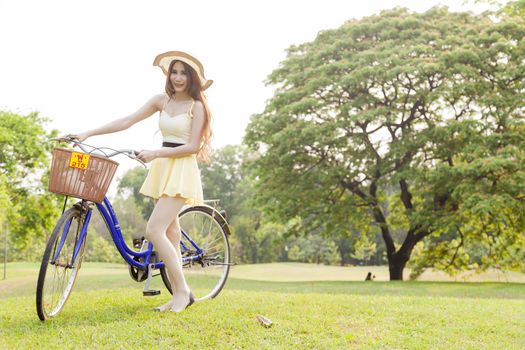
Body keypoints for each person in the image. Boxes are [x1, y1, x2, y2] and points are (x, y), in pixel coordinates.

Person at [71, 51, 213, 312]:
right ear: (168, 74)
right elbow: (127, 120)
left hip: (181, 168)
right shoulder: (161, 101)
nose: (178, 77)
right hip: (163, 168)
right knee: (170, 232)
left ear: (192, 77)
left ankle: (183, 292)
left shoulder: (197, 106)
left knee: (154, 230)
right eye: (174, 71)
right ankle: (176, 293)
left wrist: (156, 152)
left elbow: (193, 146)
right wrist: (87, 132)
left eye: (184, 72)